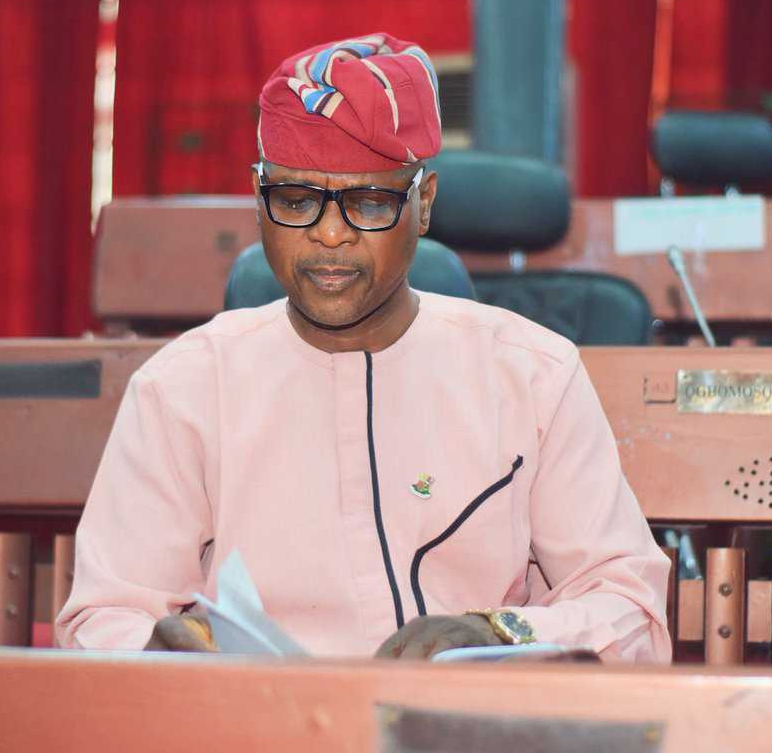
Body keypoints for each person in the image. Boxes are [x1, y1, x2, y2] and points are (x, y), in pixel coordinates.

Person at [56, 33, 672, 662]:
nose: (329, 235)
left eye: (369, 203)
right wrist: (154, 652)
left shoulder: (532, 377)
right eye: (296, 201)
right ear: (259, 200)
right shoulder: (183, 390)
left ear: (422, 204)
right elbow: (106, 617)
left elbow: (630, 611)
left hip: (464, 713)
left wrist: (501, 631)